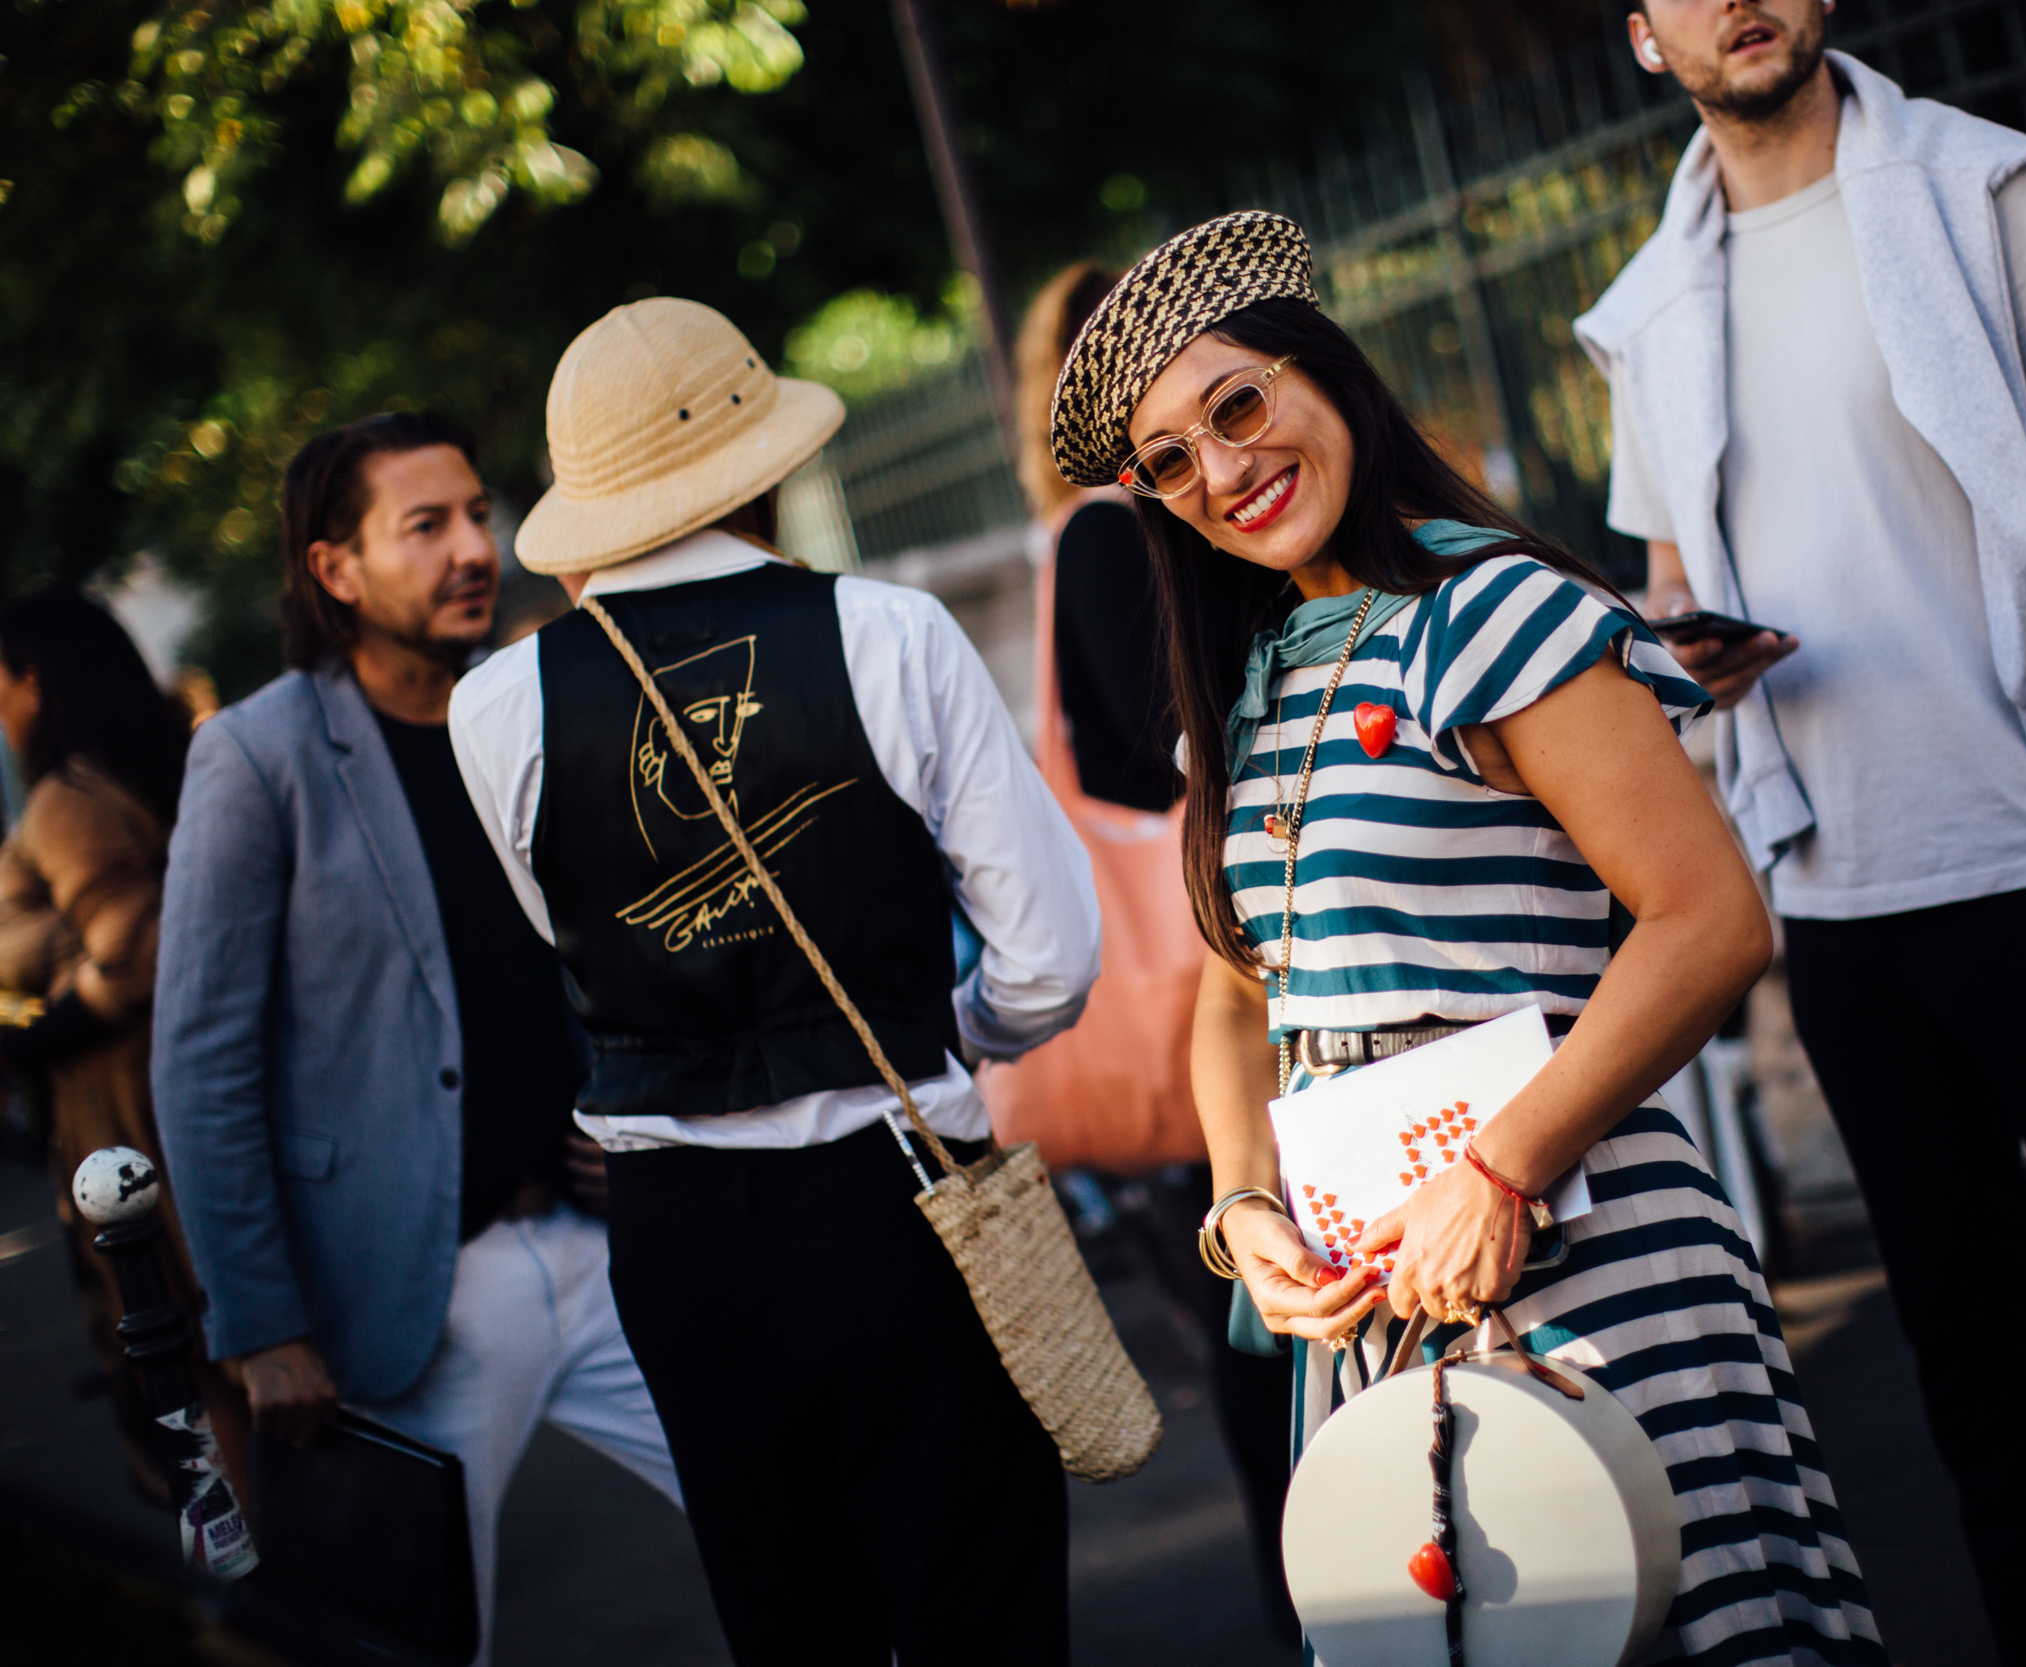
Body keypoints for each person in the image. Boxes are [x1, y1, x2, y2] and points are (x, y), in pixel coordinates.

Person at [1051, 209, 1886, 1665]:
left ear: (1327, 374)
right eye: (1173, 460)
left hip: (1584, 1253)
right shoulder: (1238, 692)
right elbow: (1236, 1012)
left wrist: (1496, 1165)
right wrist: (1242, 1218)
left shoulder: (1493, 608)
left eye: (1238, 404)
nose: (1225, 473)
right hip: (1368, 1307)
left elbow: (1707, 919)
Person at [1578, 6, 2026, 1664]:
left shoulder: (1989, 191)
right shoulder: (1651, 303)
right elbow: (1674, 585)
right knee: (1972, 1362)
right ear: (1641, 33)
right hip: (1838, 894)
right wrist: (1685, 646)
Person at [447, 297, 1101, 1667]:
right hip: (902, 1193)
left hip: (676, 1231)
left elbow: (567, 935)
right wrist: (943, 1038)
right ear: (766, 461)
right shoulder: (892, 630)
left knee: (791, 1624)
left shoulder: (494, 705)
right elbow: (1049, 954)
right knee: (983, 1608)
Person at [153, 412, 681, 1660]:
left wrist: (622, 1109)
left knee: (789, 1507)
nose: (472, 550)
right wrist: (260, 1322)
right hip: (410, 1298)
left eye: (479, 516)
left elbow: (594, 954)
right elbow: (201, 1061)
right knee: (420, 1638)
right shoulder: (257, 755)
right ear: (337, 569)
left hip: (595, 1240)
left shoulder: (532, 705)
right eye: (425, 525)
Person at [993, 261, 1298, 1637]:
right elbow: (1133, 744)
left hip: (1214, 964)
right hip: (1209, 970)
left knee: (1270, 1332)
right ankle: (1322, 1594)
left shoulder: (1128, 529)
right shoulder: (1113, 532)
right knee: (1265, 1336)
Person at [0, 590, 250, 1504]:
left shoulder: (68, 800)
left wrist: (33, 1030)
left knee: (175, 1342)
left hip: (126, 1101)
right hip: (188, 1077)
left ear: (32, 679)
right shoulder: (169, 758)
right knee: (220, 1329)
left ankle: (242, 1574)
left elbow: (132, 956)